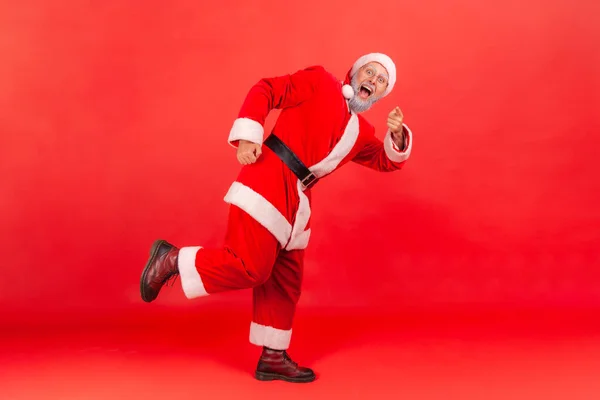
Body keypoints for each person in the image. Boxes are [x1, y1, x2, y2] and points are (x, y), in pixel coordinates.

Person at [139, 52, 413, 383]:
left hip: (299, 201)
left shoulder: (361, 132)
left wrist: (397, 136)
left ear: (383, 94)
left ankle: (272, 356)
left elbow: (387, 160)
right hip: (268, 177)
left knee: (285, 281)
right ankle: (171, 259)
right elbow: (266, 89)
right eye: (369, 72)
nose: (372, 80)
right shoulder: (321, 82)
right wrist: (247, 137)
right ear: (354, 73)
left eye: (381, 80)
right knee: (250, 266)